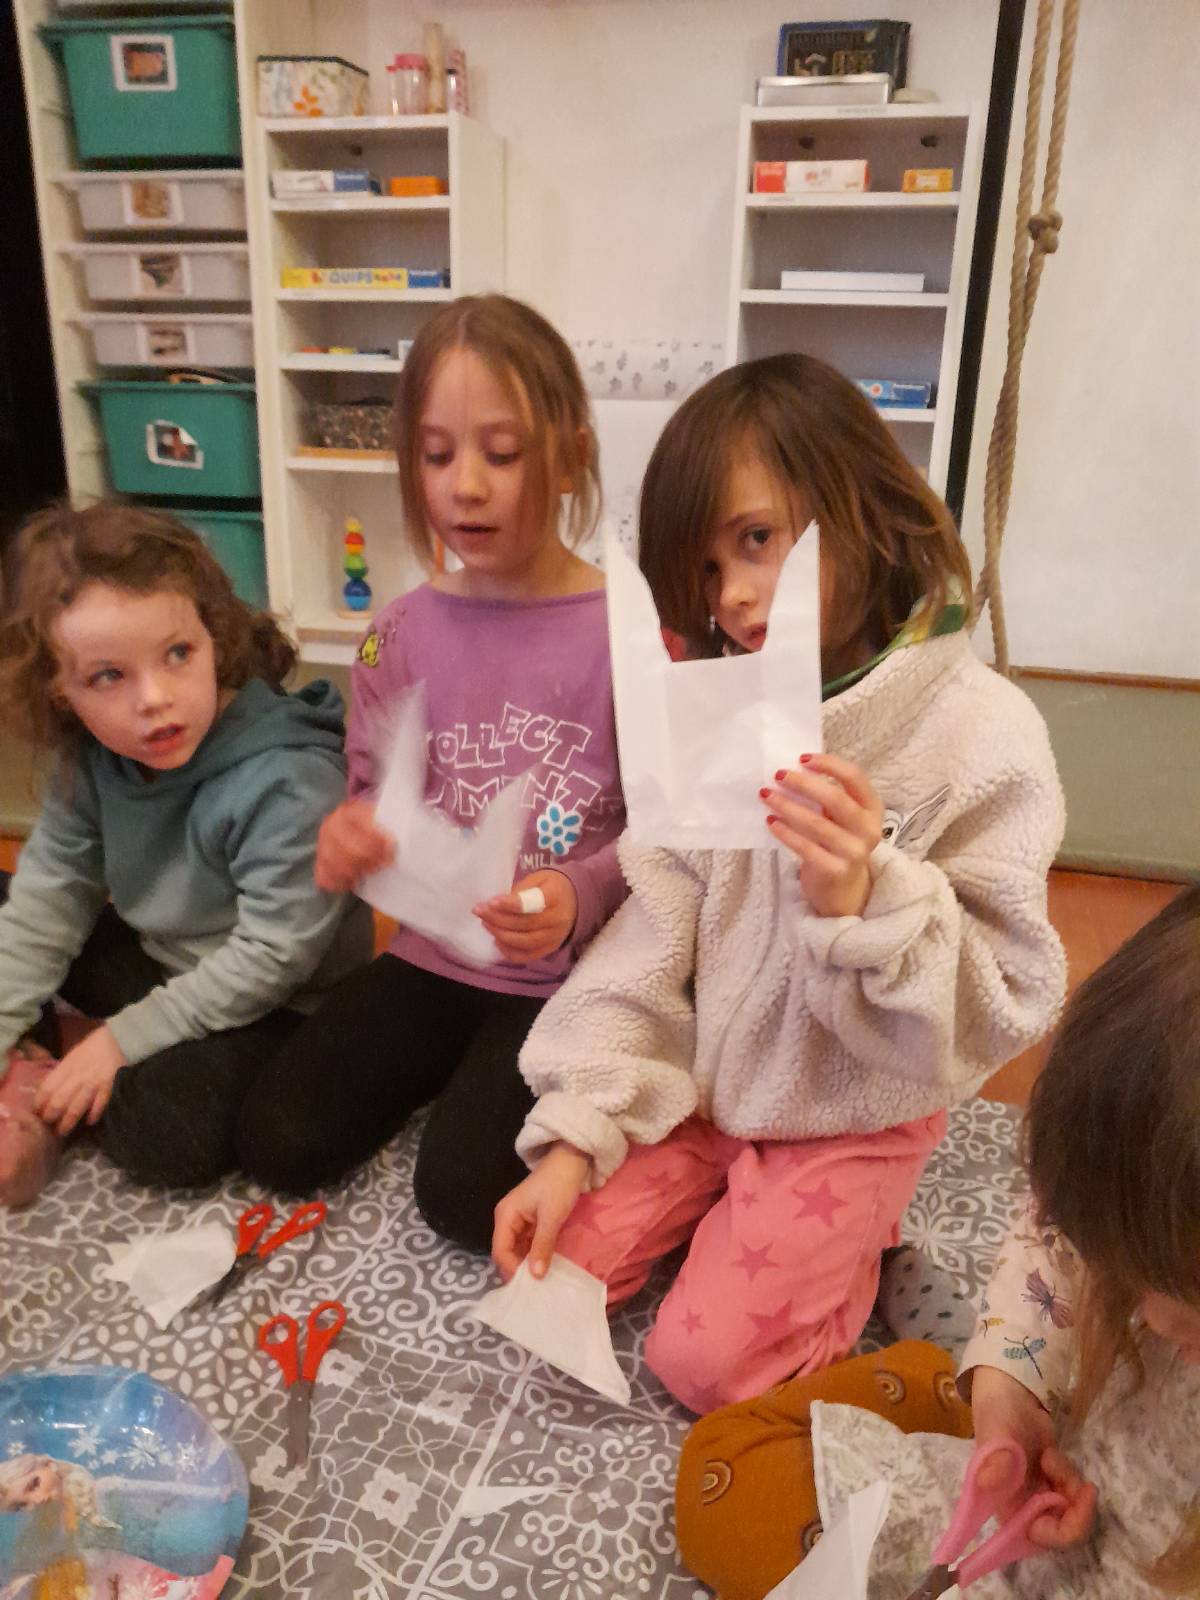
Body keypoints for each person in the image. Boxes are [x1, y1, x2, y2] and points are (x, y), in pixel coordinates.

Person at [492, 351, 1066, 1413]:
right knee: (552, 1265)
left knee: (703, 1364)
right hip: (718, 1085)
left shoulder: (982, 735)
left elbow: (1006, 996)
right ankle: (755, 1222)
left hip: (859, 1106)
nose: (734, 595)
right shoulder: (722, 713)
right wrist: (576, 1133)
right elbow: (650, 932)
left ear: (862, 500)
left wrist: (868, 900)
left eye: (756, 539)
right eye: (706, 569)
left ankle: (859, 1252)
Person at [676, 884, 1199, 1600]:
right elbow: (1052, 1246)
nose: (1154, 1320)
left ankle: (940, 1372)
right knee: (725, 1480)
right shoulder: (1138, 1196)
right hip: (1046, 1484)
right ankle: (951, 1377)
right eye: (1128, 1275)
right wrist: (1008, 1393)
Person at [241, 294, 626, 1246]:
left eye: (504, 453)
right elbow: (375, 783)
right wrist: (356, 830)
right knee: (275, 1140)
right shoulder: (398, 631)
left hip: (566, 977)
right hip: (432, 954)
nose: (466, 487)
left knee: (462, 1200)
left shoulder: (631, 632)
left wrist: (575, 894)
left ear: (570, 456)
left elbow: (671, 843)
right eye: (437, 454)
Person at [0, 502, 372, 1205]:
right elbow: (52, 892)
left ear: (214, 640)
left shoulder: (288, 778)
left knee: (169, 1134)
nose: (155, 699)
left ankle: (64, 1062)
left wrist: (120, 1043)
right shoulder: (92, 759)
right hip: (167, 960)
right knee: (16, 909)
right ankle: (42, 1056)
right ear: (61, 691)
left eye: (178, 655)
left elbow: (273, 958)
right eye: (107, 677)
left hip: (278, 1004)